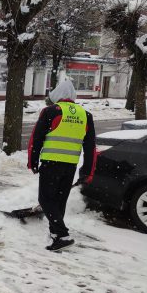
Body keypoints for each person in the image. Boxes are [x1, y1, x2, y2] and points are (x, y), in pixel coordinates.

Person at [28, 79, 96, 251]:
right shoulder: (85, 115)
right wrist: (86, 171)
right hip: (70, 165)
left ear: (57, 95)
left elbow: (36, 139)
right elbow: (90, 147)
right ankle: (55, 233)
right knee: (59, 200)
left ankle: (62, 234)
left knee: (45, 199)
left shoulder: (51, 111)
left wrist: (33, 161)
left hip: (51, 163)